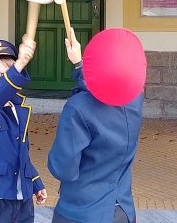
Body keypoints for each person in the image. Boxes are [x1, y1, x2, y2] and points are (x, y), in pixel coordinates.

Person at [48, 29, 143, 223]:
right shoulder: (135, 99)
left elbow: (63, 168)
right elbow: (105, 87)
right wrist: (78, 64)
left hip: (81, 212)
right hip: (123, 210)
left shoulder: (77, 108)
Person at [0, 35, 48, 223]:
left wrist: (35, 182)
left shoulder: (19, 111)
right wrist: (18, 66)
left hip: (22, 198)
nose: (3, 80)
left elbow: (21, 153)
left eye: (7, 73)